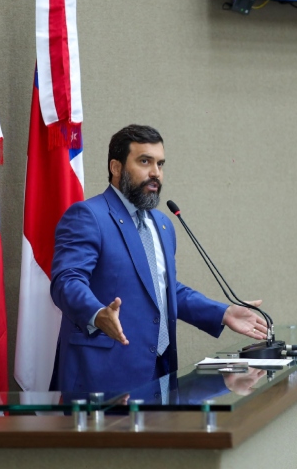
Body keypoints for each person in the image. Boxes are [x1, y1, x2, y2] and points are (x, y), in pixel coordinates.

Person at [50, 124, 268, 394]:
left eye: (160, 164)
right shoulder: (88, 216)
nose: (155, 173)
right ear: (116, 167)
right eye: (144, 161)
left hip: (160, 372)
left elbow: (165, 289)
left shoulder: (162, 224)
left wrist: (222, 313)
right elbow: (66, 281)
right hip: (103, 378)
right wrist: (96, 314)